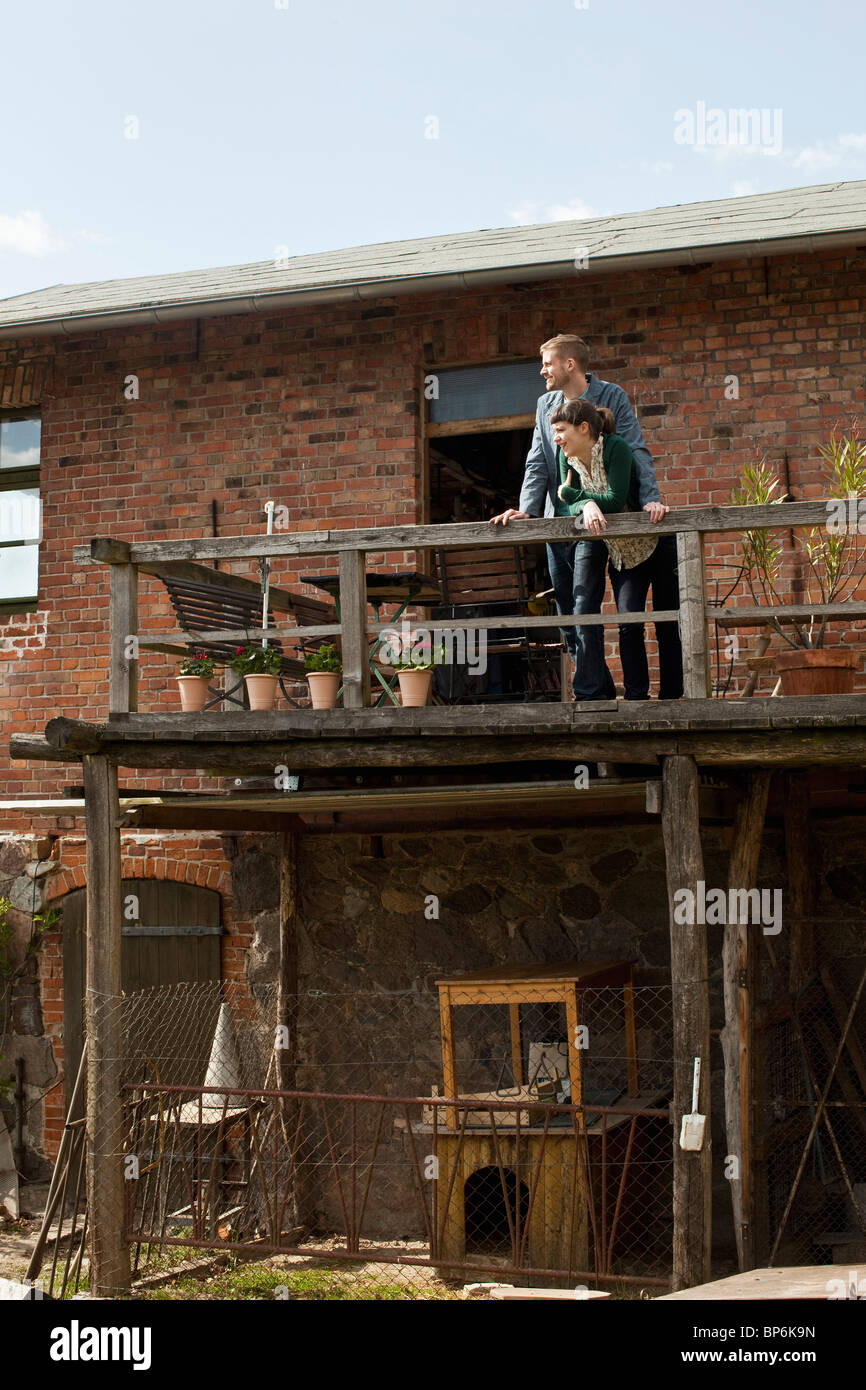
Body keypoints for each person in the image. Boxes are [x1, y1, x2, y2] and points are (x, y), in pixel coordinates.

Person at [491, 333, 680, 700]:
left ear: (569, 364)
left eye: (547, 363)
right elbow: (536, 462)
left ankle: (590, 694)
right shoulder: (544, 404)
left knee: (585, 605)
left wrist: (650, 500)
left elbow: (636, 450)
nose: (542, 370)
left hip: (594, 526)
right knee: (567, 610)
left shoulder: (612, 397)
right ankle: (600, 687)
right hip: (556, 519)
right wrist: (527, 509)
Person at [550, 399, 682, 700]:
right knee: (628, 625)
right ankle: (637, 698)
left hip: (657, 546)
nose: (556, 437)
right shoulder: (565, 457)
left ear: (583, 428)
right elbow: (566, 505)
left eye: (560, 430)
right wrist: (586, 502)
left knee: (668, 624)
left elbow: (615, 498)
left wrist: (578, 496)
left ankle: (673, 696)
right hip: (622, 555)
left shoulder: (616, 447)